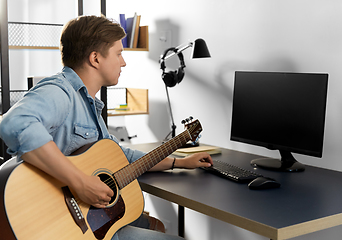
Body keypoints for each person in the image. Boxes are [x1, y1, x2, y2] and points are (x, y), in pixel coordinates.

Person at [0, 15, 213, 240]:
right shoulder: (61, 91)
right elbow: (15, 123)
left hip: (94, 222)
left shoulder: (90, 104)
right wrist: (79, 182)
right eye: (119, 53)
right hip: (61, 227)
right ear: (95, 58)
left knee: (153, 224)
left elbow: (122, 157)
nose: (123, 62)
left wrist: (179, 162)